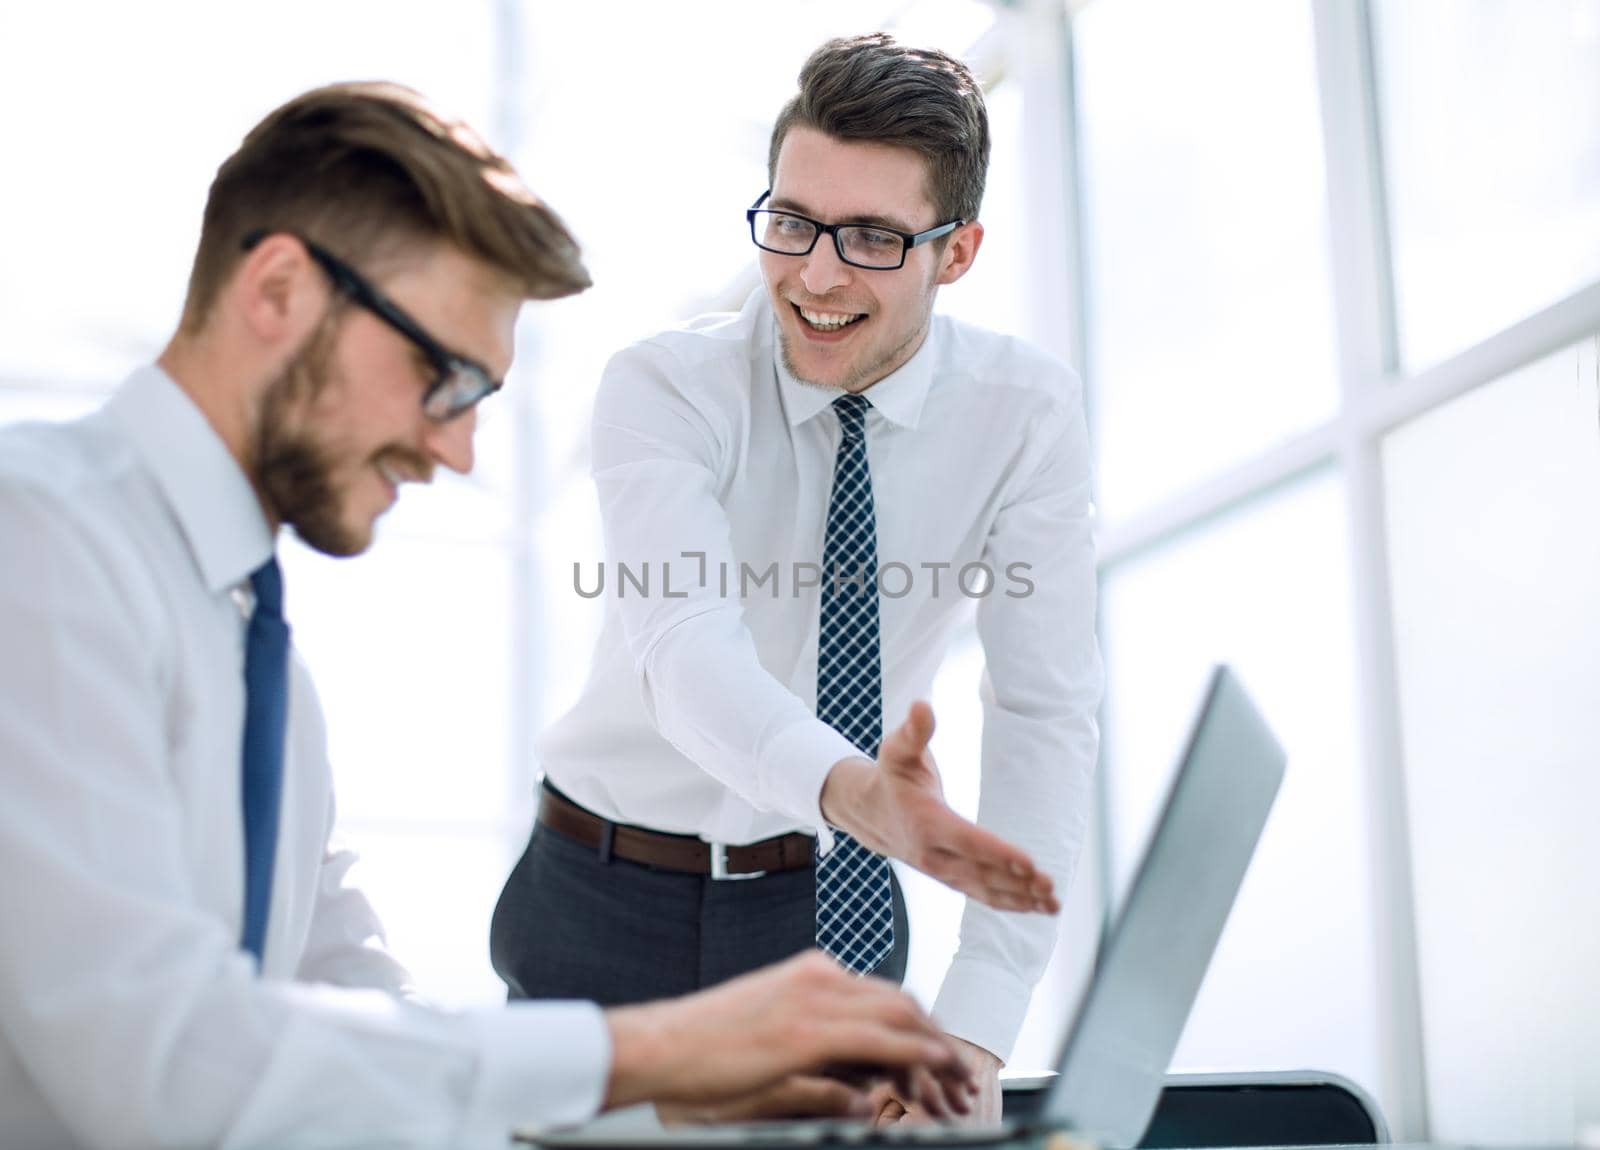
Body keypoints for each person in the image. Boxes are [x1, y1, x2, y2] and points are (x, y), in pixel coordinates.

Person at [0, 82, 980, 1150]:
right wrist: (656, 1051)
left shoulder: (258, 654)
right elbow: (157, 1058)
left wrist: (657, 1113)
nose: (457, 450)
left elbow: (342, 995)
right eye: (444, 376)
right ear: (277, 290)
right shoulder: (38, 535)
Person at [489, 33, 1103, 1125]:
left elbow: (1042, 711)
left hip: (829, 904)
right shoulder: (666, 389)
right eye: (792, 222)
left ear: (954, 252)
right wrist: (855, 791)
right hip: (602, 893)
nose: (815, 275)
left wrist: (976, 1023)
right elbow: (685, 653)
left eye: (870, 237)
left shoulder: (1024, 415)